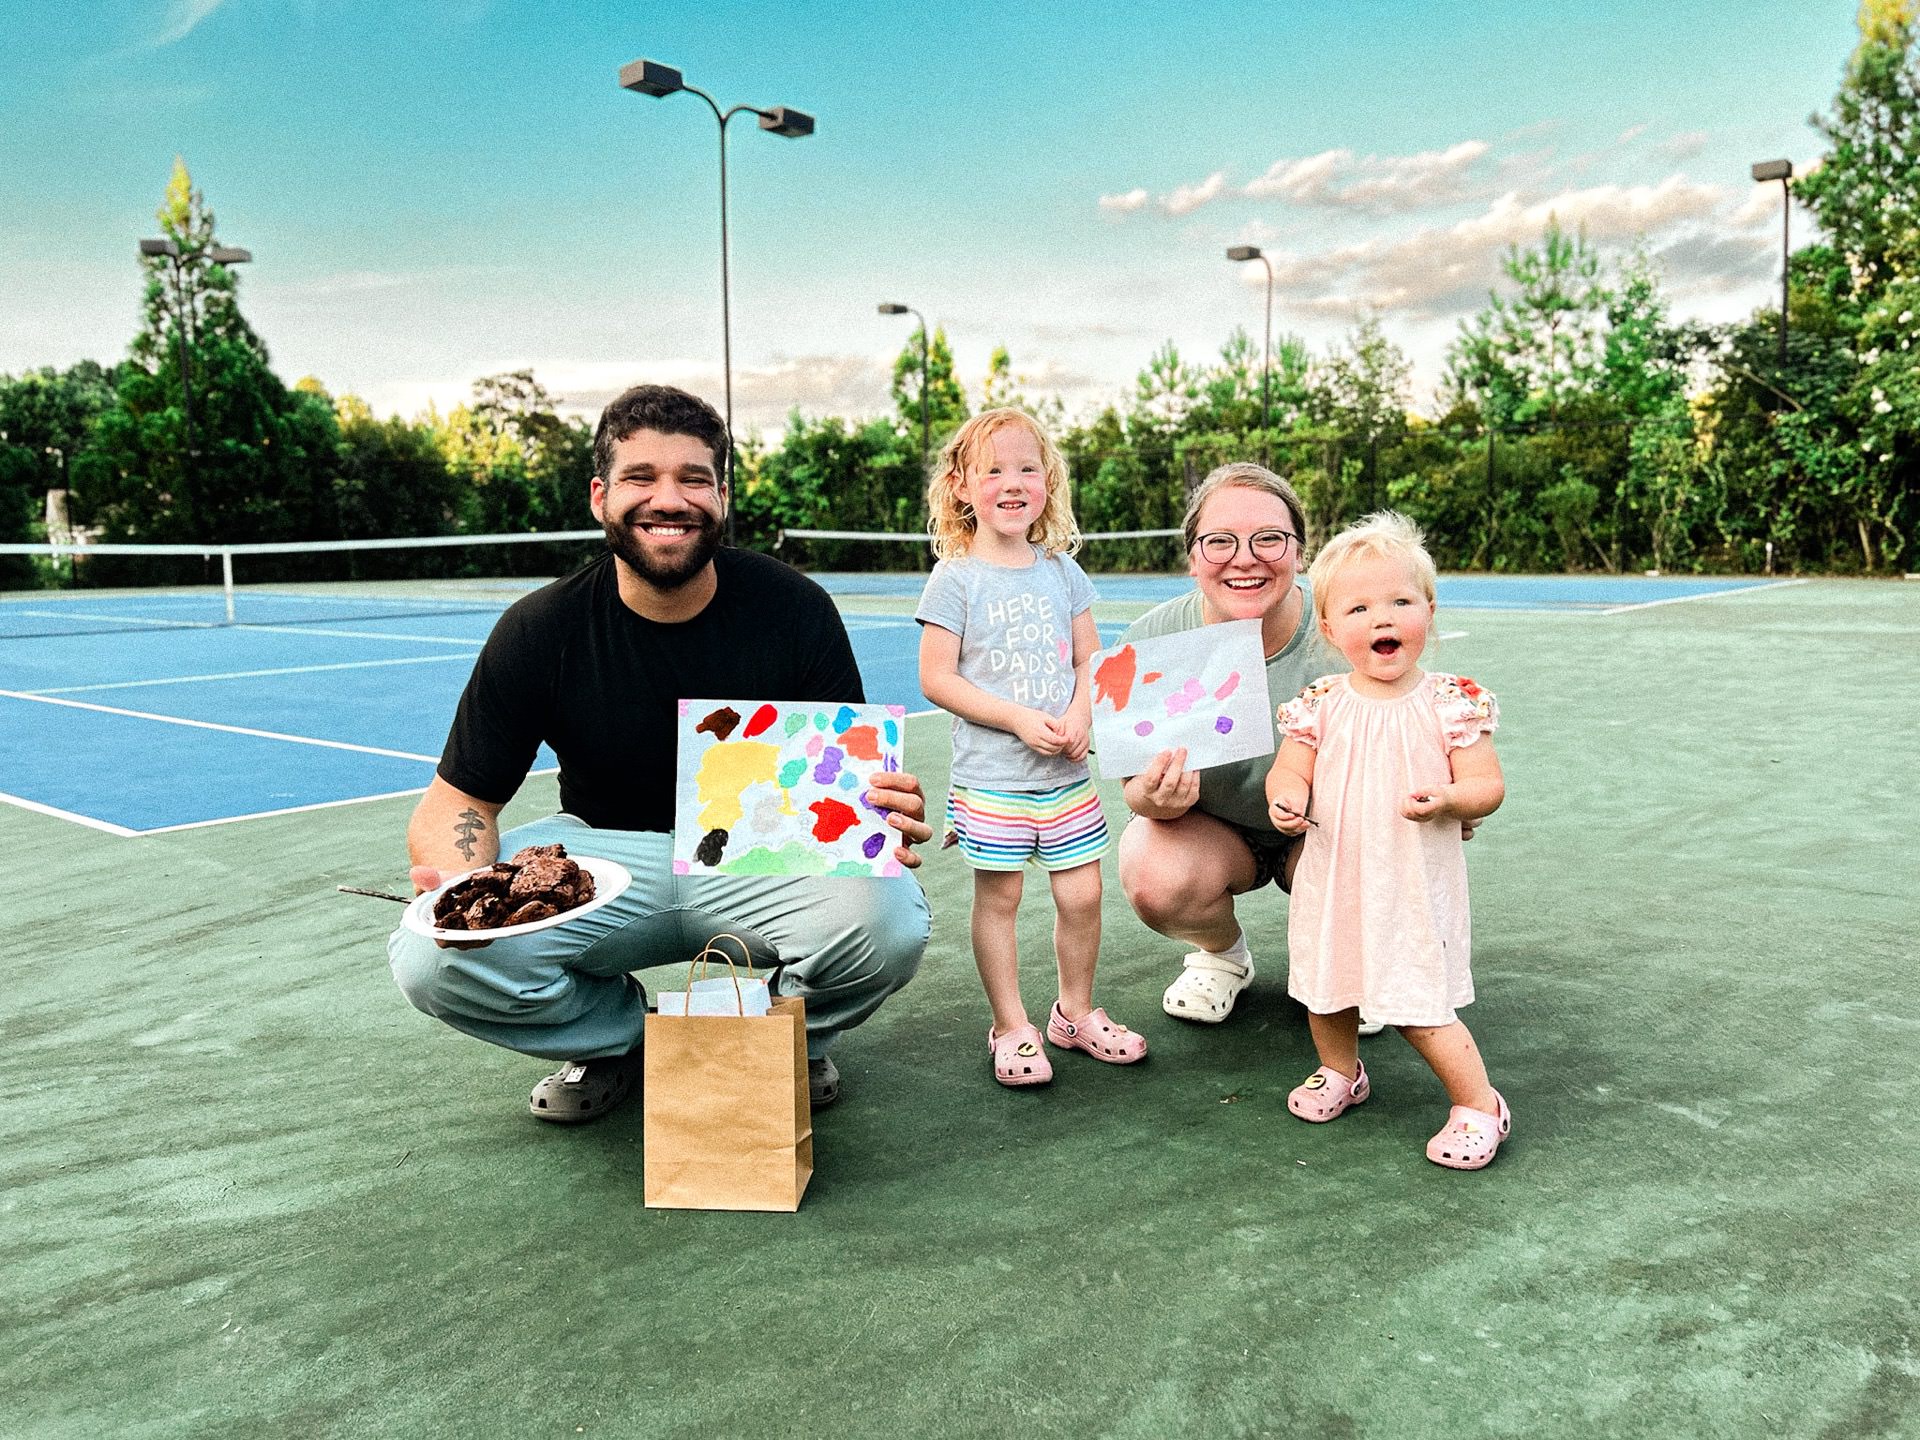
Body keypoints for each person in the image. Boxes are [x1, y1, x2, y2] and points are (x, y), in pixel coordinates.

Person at [388, 384, 933, 1123]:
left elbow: (850, 780)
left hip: (753, 859)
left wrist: (884, 810)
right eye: (641, 477)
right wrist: (459, 886)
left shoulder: (794, 607)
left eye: (693, 478)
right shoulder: (539, 629)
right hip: (606, 863)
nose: (668, 499)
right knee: (433, 960)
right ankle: (627, 1042)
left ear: (723, 496)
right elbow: (459, 801)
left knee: (889, 918)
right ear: (600, 496)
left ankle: (783, 1039)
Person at [1117, 463, 1479, 1028]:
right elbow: (1134, 792)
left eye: (1269, 539)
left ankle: (1354, 965)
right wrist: (1152, 799)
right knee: (1150, 868)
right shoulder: (1151, 642)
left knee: (1386, 844)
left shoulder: (1346, 628)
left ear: (1299, 552)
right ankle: (1222, 957)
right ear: (1192, 558)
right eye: (1219, 542)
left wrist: (1444, 798)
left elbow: (1415, 731)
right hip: (1212, 830)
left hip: (1328, 832)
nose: (1245, 557)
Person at [1266, 511, 1509, 1169]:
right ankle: (1341, 1070)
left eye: (1401, 601)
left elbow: (1486, 785)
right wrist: (1285, 797)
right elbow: (1291, 768)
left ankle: (1479, 1105)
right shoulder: (1319, 700)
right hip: (1335, 876)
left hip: (1411, 883)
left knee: (1418, 1002)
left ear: (1428, 611)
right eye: (1361, 606)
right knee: (1325, 985)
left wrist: (1453, 799)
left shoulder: (1452, 701)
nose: (1383, 618)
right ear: (1329, 628)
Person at [915, 408, 1144, 1088]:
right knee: (1002, 900)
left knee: (1082, 897)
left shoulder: (1063, 572)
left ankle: (1072, 1015)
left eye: (1026, 468)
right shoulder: (953, 579)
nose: (1012, 482)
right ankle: (1011, 1026)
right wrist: (1016, 718)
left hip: (1066, 778)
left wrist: (1079, 712)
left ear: (1047, 481)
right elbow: (936, 677)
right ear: (961, 486)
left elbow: (1089, 659)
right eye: (993, 470)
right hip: (993, 781)